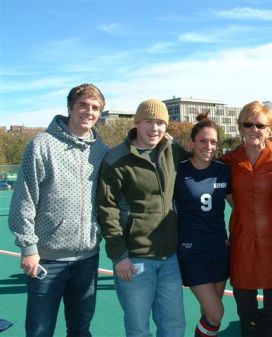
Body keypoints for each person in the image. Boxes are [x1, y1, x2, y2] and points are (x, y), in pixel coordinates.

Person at [8, 83, 109, 337]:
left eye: (95, 107)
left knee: (80, 329)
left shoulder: (101, 151)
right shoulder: (42, 144)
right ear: (70, 108)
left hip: (87, 258)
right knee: (40, 331)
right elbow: (24, 197)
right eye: (83, 105)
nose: (89, 111)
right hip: (47, 258)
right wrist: (29, 248)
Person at [96, 98, 188, 337]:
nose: (154, 128)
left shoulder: (172, 151)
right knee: (138, 330)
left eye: (160, 123)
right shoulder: (116, 159)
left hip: (169, 257)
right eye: (148, 121)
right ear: (137, 122)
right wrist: (119, 256)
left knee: (174, 327)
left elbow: (201, 162)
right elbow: (107, 209)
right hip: (134, 261)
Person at [221, 100, 272, 337]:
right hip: (242, 242)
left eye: (260, 125)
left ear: (269, 129)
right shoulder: (229, 160)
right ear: (240, 127)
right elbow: (229, 195)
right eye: (248, 124)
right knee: (246, 310)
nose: (254, 130)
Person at [174, 113, 232, 337]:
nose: (209, 146)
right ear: (192, 143)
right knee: (216, 312)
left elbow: (238, 205)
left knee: (209, 313)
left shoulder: (223, 170)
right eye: (203, 141)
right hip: (192, 251)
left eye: (213, 141)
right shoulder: (179, 171)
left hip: (219, 248)